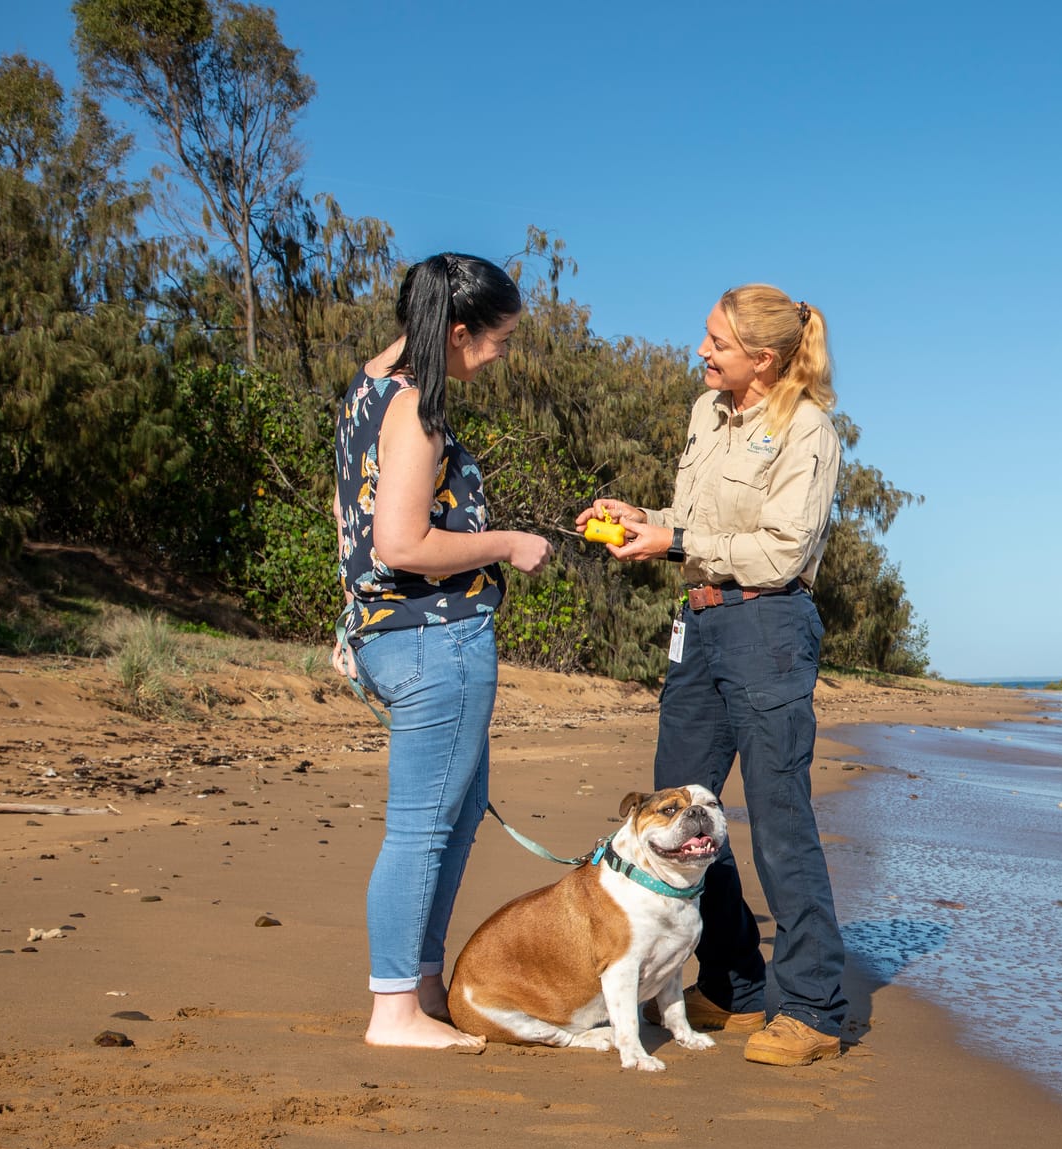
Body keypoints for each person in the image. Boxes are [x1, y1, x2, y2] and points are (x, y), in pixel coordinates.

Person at [578, 284, 845, 1066]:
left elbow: (782, 551)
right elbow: (694, 523)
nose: (702, 352)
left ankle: (815, 1007)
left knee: (779, 823)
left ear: (762, 358)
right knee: (681, 817)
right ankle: (734, 984)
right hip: (696, 627)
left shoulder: (810, 430)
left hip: (769, 630)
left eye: (717, 343)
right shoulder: (706, 414)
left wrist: (674, 539)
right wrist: (647, 521)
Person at [331, 253, 552, 1049]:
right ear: (458, 331)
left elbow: (344, 515)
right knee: (425, 827)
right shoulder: (416, 408)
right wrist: (509, 542)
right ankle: (394, 1008)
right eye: (498, 340)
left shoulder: (369, 387)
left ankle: (421, 982)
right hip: (434, 641)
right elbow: (398, 539)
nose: (500, 354)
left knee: (450, 821)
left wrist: (352, 616)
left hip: (397, 638)